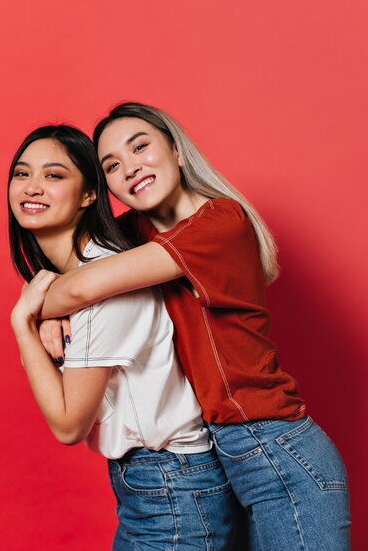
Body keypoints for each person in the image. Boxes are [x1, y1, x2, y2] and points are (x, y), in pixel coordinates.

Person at [38, 104, 351, 551]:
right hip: (220, 458)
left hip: (278, 450)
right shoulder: (140, 233)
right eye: (111, 165)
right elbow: (76, 267)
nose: (130, 168)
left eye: (140, 147)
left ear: (176, 150)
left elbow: (79, 285)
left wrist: (37, 311)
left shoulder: (221, 222)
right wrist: (53, 309)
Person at [8, 124, 236, 551]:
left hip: (172, 486)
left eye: (54, 175)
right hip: (151, 486)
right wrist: (42, 313)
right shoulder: (73, 281)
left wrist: (23, 322)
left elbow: (68, 423)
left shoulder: (106, 282)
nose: (32, 187)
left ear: (90, 194)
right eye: (21, 174)